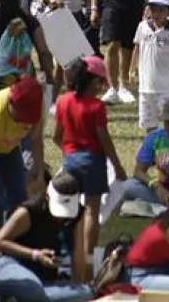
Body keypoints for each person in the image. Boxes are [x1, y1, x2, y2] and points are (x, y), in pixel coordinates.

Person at [54, 56, 126, 279]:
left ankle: (68, 251)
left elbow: (57, 136)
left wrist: (68, 152)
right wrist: (117, 166)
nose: (102, 86)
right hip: (93, 162)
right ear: (91, 81)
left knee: (70, 211)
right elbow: (104, 140)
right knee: (92, 212)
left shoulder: (63, 101)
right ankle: (88, 258)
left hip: (70, 161)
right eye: (100, 81)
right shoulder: (97, 107)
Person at [0, 171, 94, 302]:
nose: (62, 217)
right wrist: (35, 254)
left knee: (86, 292)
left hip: (44, 279)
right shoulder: (29, 211)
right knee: (32, 289)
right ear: (48, 197)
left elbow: (78, 253)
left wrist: (77, 286)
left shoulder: (78, 214)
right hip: (12, 265)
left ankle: (15, 297)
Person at [0, 75, 46, 248]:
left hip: (9, 149)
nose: (23, 123)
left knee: (19, 199)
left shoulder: (38, 106)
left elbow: (36, 140)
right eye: (19, 117)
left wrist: (40, 172)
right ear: (11, 102)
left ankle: (13, 245)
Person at [132, 0, 169, 130]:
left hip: (167, 87)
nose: (156, 14)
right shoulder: (142, 27)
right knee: (149, 125)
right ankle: (151, 144)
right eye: (153, 9)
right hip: (146, 86)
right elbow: (137, 48)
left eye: (161, 10)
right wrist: (132, 70)